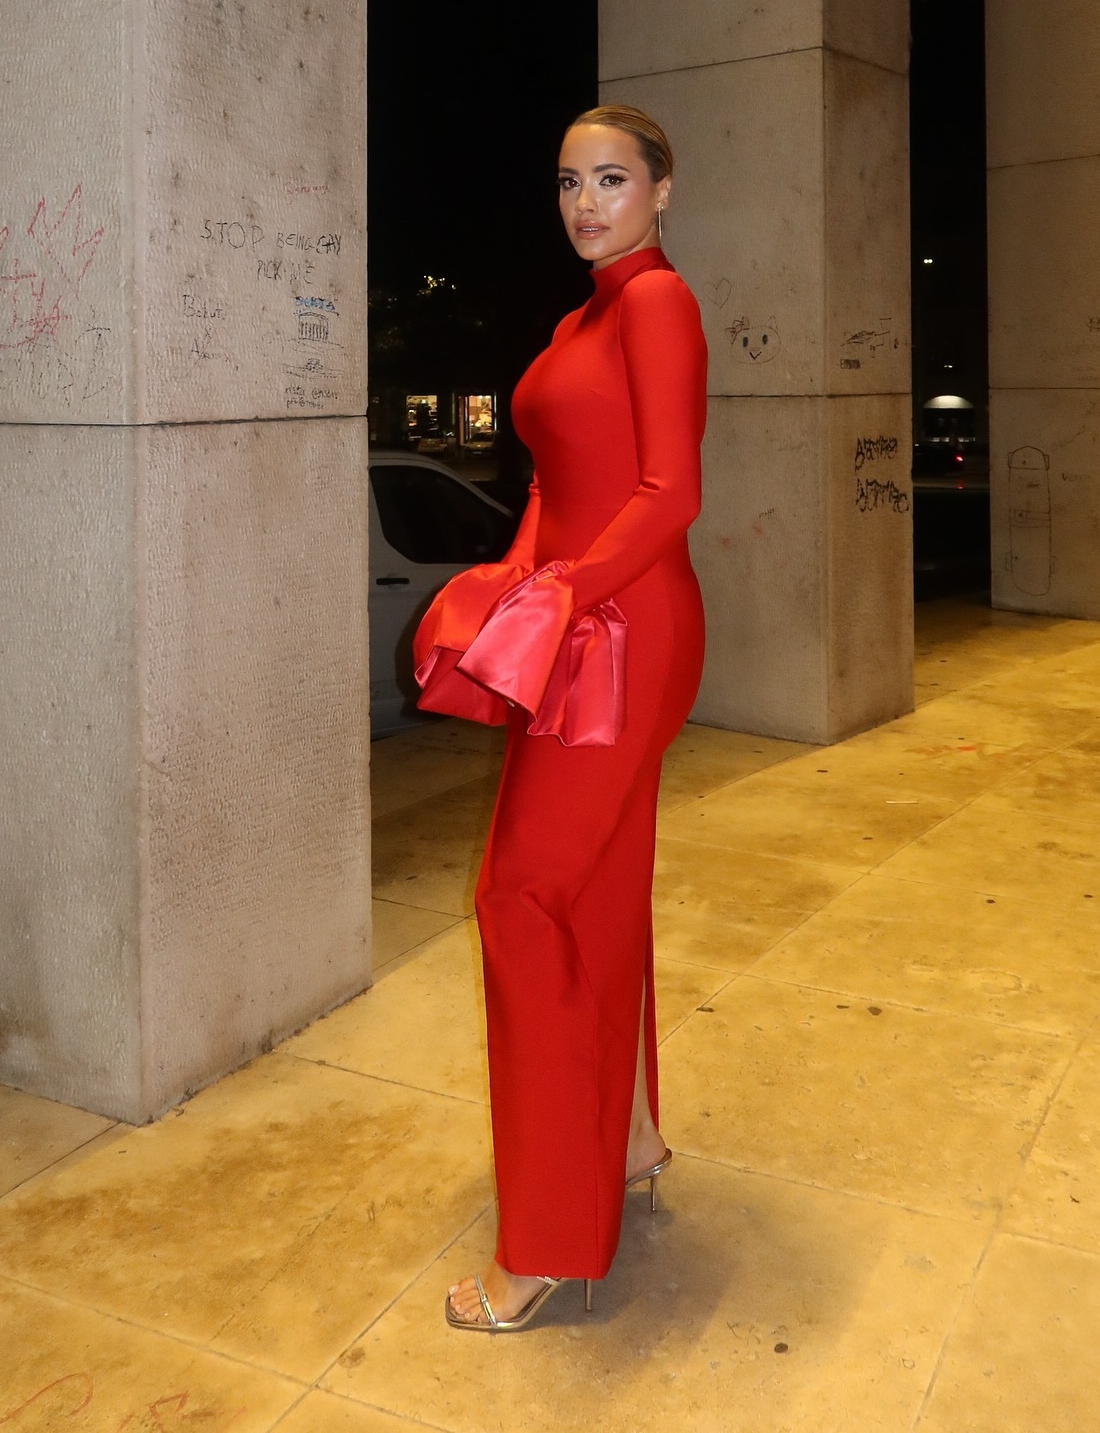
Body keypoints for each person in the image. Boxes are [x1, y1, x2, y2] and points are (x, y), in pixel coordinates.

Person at [412, 105, 708, 1332]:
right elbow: (553, 479)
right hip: (583, 618)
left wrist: (567, 592)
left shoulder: (657, 303)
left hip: (627, 630)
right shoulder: (577, 319)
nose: (587, 203)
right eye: (570, 182)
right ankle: (627, 1139)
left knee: (520, 898)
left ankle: (542, 1242)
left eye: (613, 179)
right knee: (597, 888)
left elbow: (670, 492)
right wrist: (515, 583)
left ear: (662, 190)